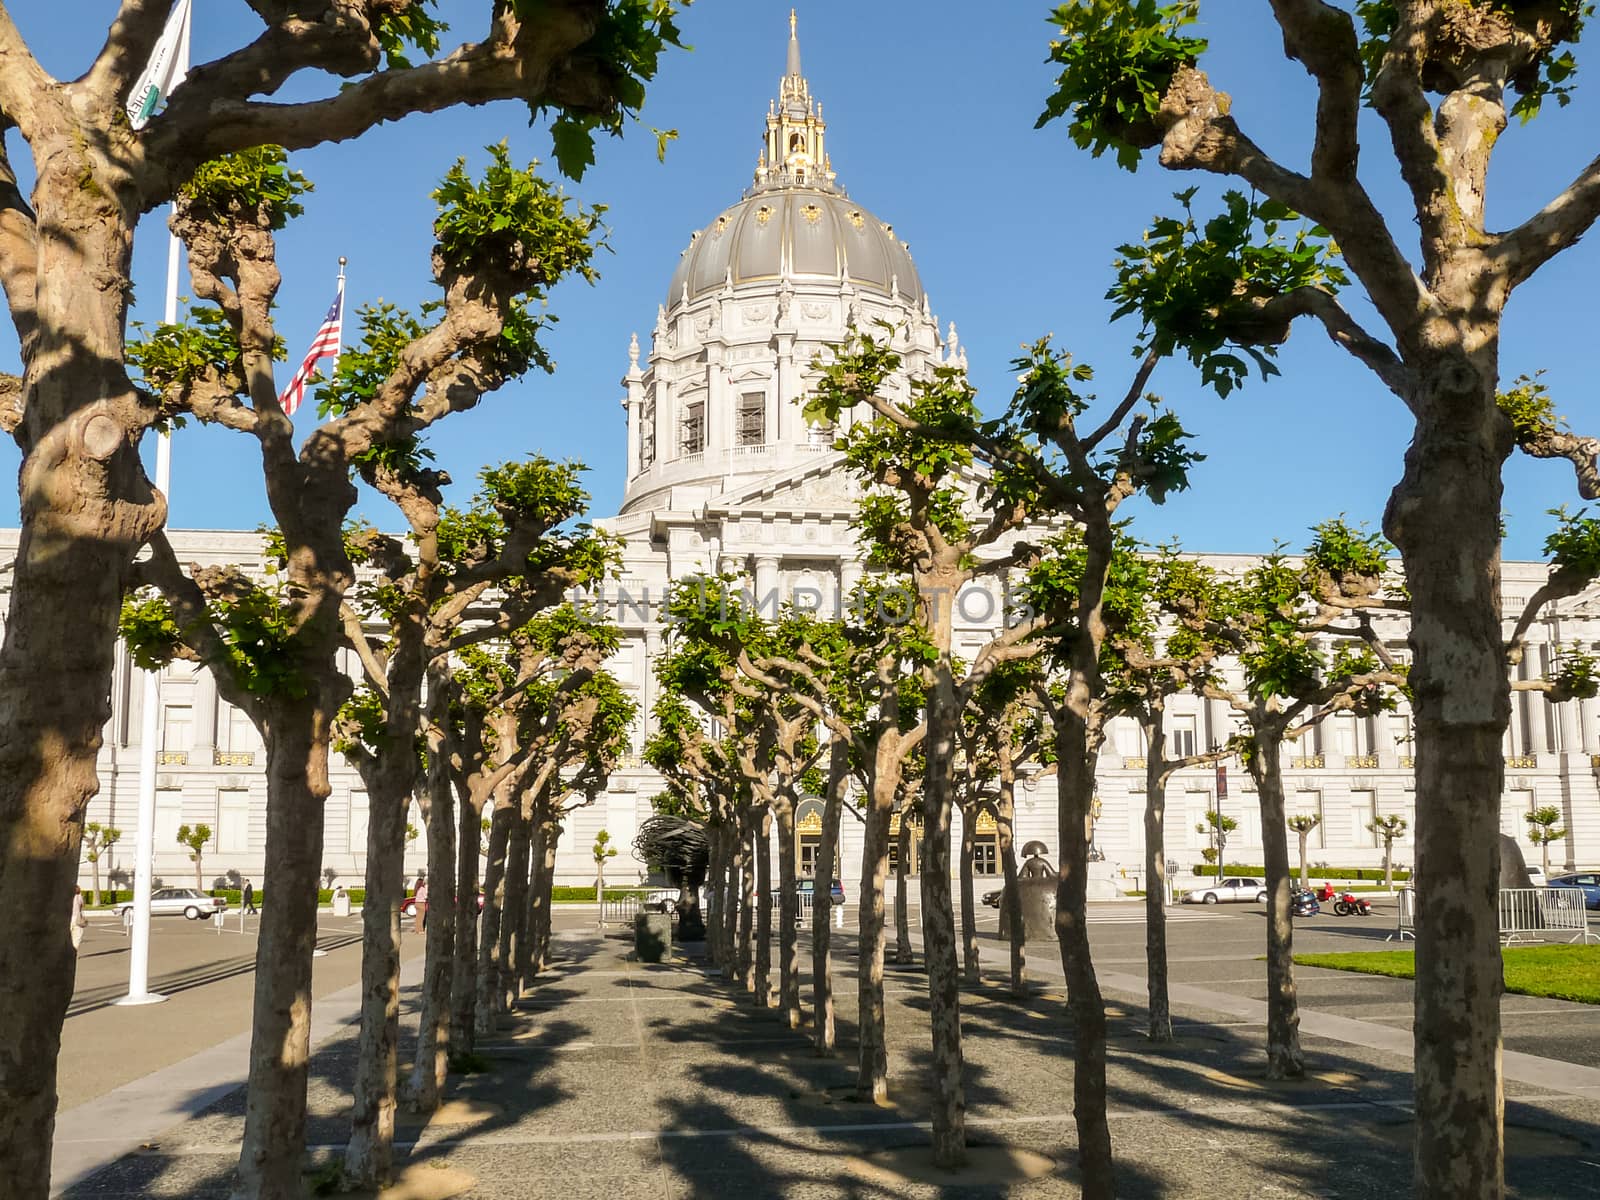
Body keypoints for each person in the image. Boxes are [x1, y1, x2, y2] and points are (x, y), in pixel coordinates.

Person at [70, 886, 86, 951]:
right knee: (77, 936)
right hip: (77, 918)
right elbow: (83, 905)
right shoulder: (79, 897)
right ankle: (74, 950)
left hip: (69, 918)